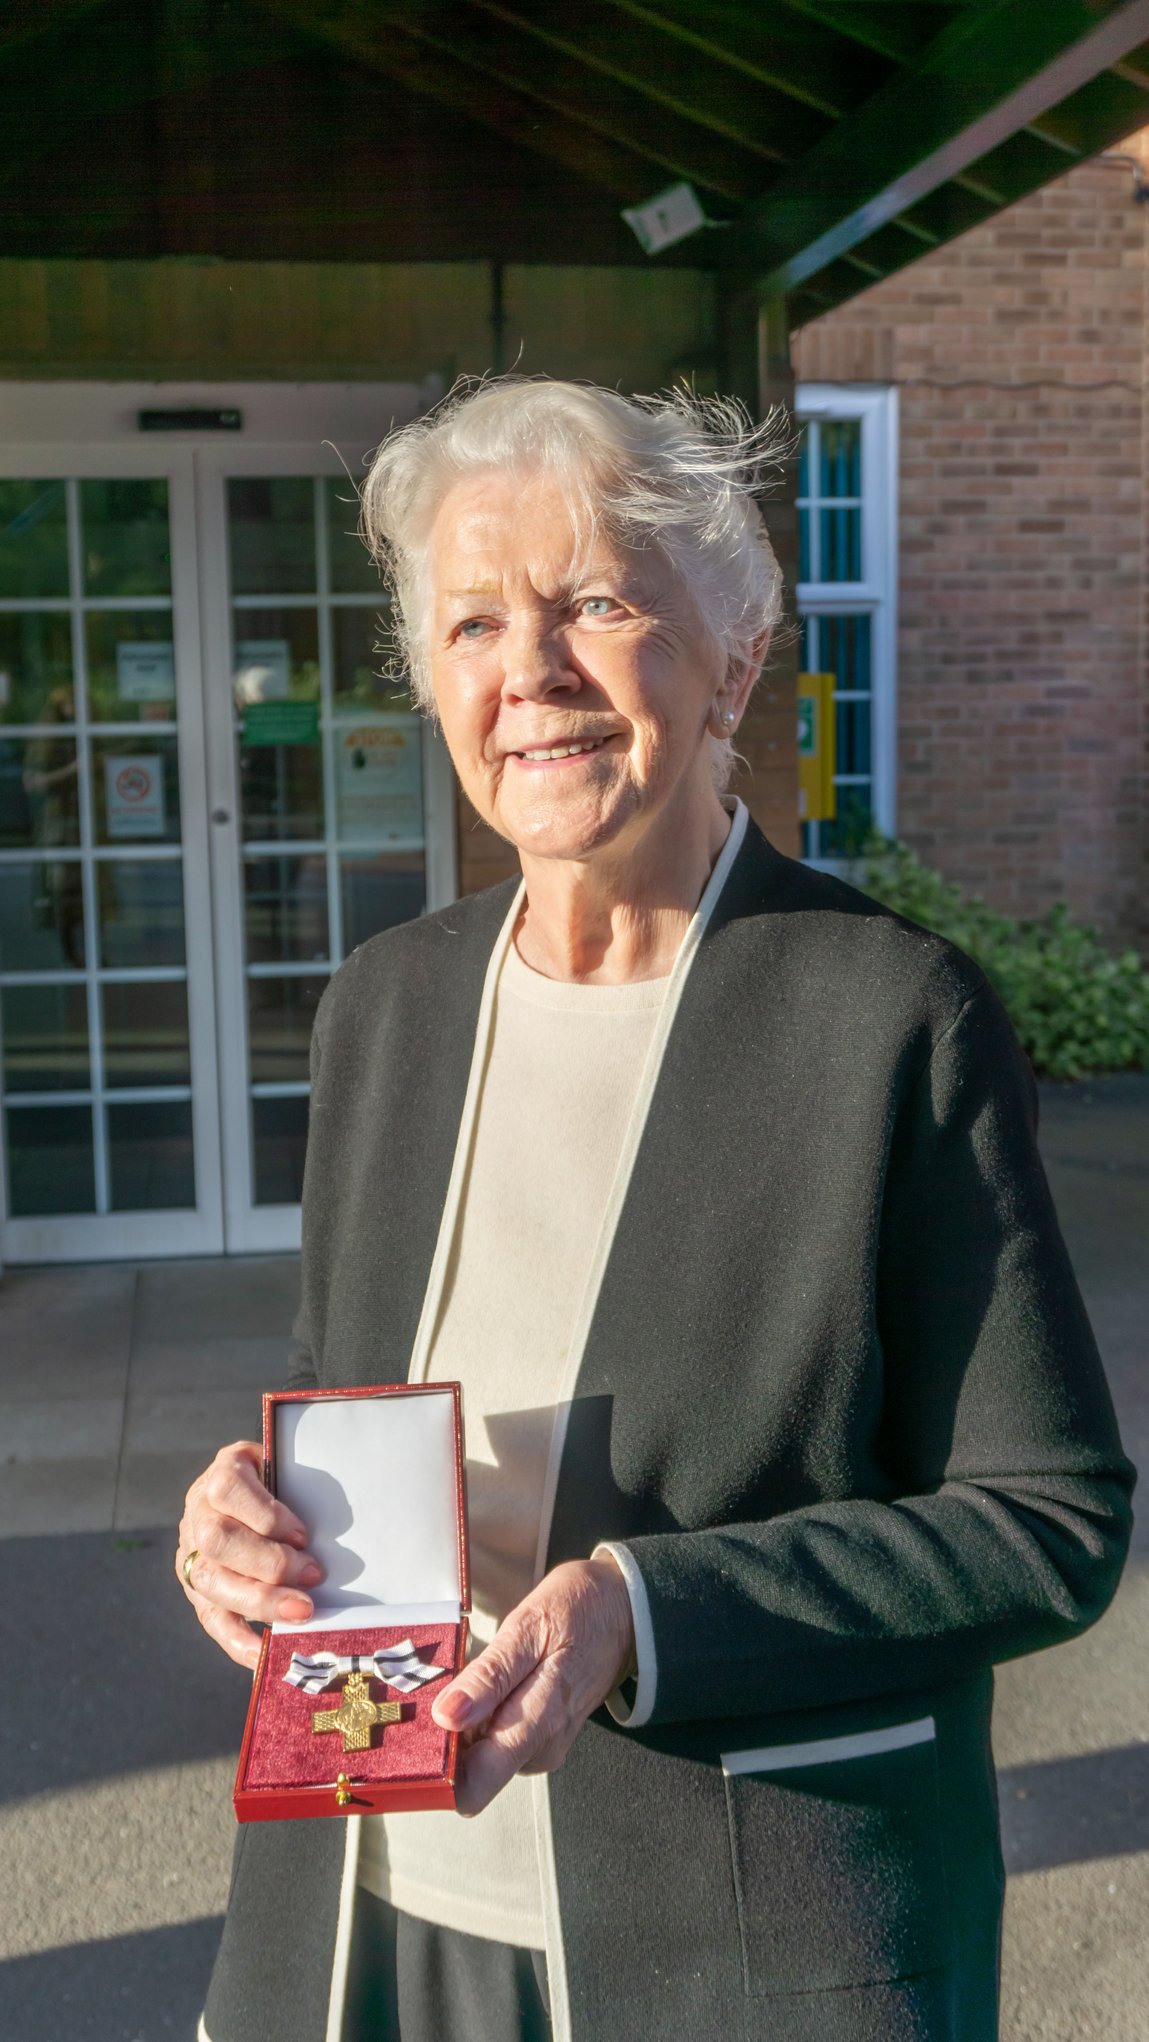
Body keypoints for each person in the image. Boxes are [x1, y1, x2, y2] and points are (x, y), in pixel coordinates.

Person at [178, 380, 1133, 2042]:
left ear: (732, 662)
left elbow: (1043, 1520)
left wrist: (641, 1606)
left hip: (741, 1947)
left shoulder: (887, 1015)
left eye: (598, 603)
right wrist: (249, 1523)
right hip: (376, 1921)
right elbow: (355, 1405)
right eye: (474, 622)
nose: (529, 671)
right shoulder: (385, 1009)